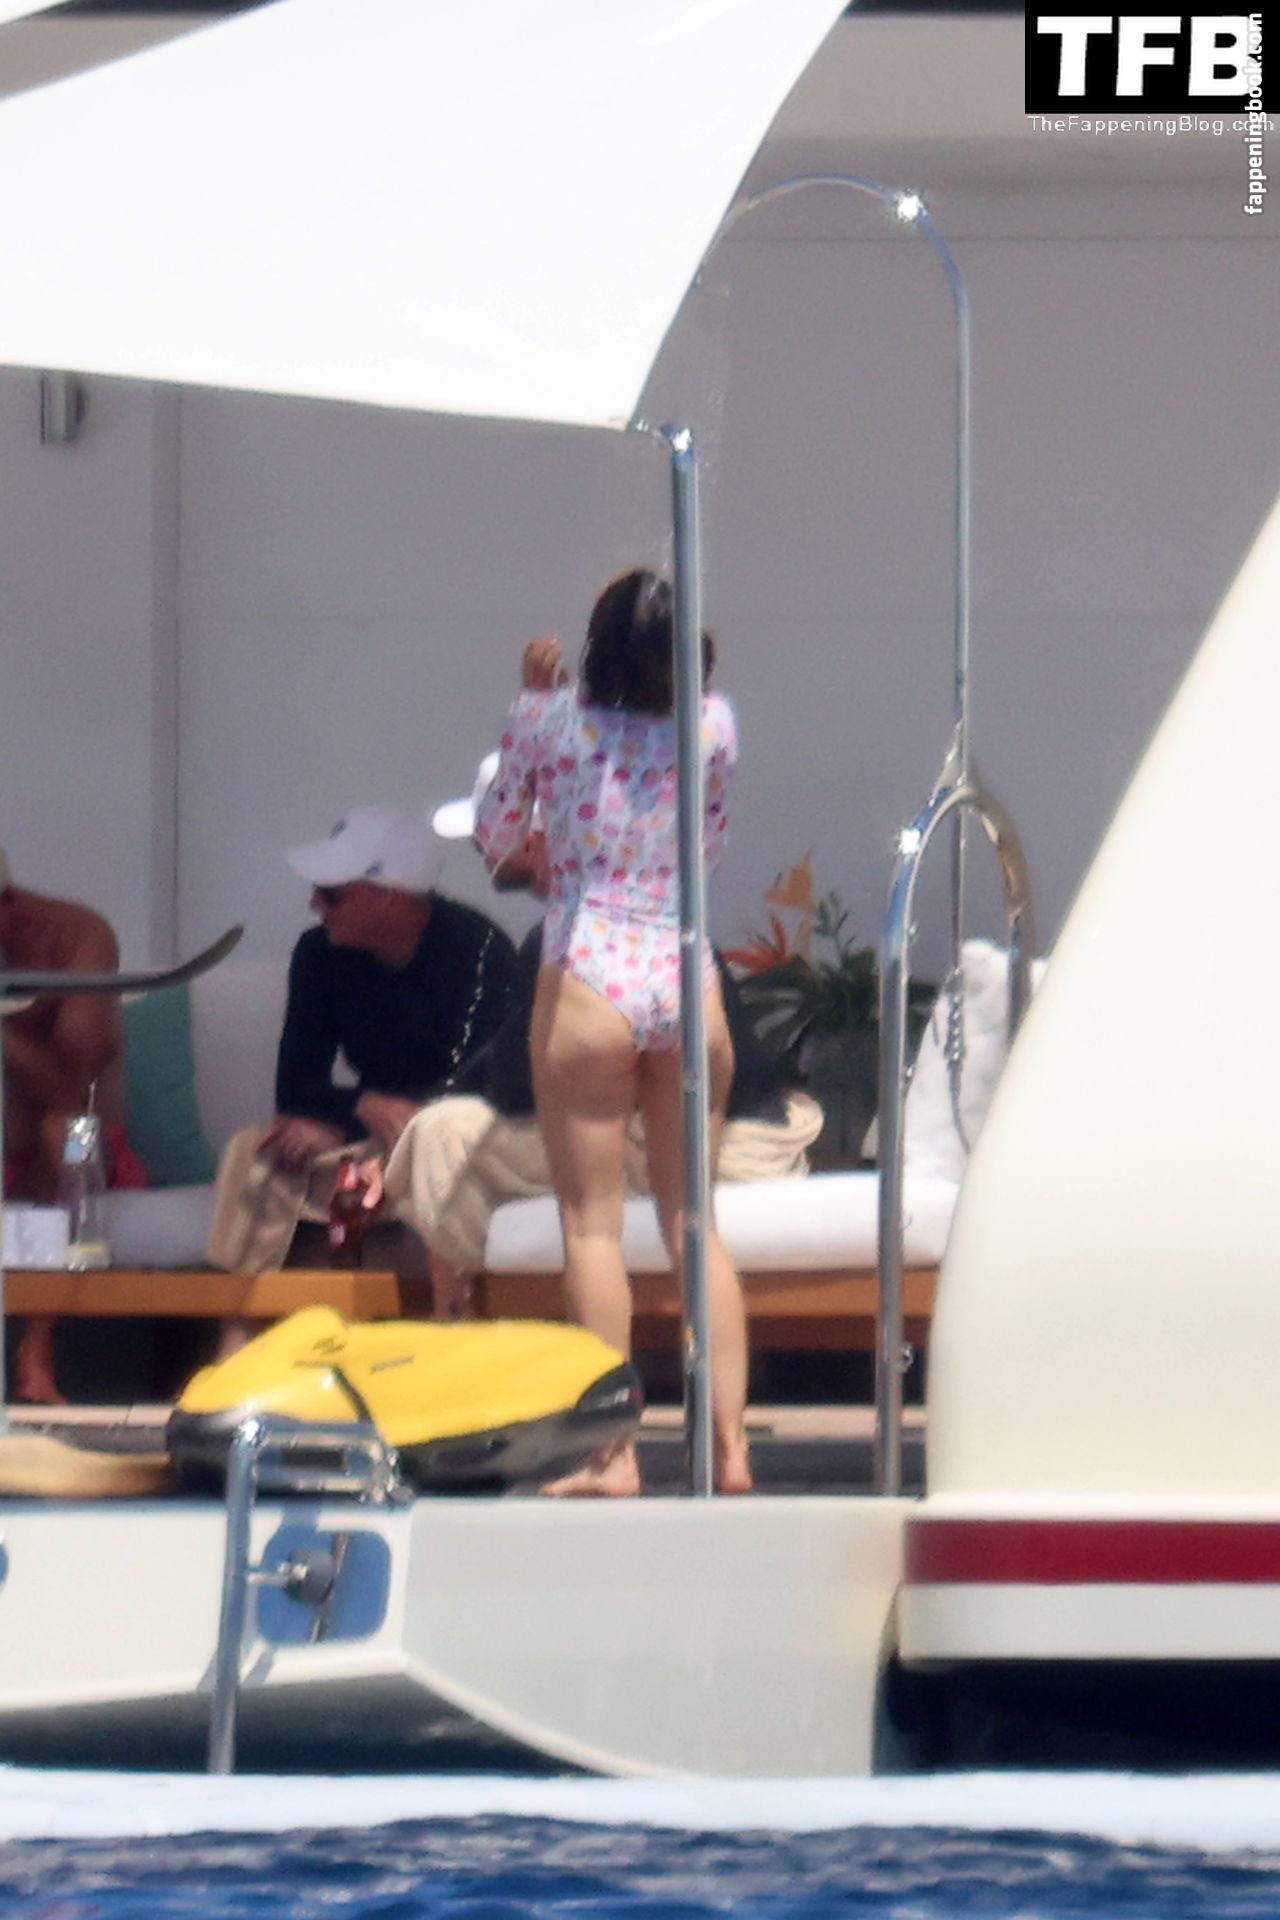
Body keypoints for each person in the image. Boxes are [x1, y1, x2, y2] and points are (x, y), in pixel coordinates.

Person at [474, 569, 752, 1496]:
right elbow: (709, 841)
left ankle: (611, 1455)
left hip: (590, 964)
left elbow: (497, 833)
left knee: (592, 1227)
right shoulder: (714, 726)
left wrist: (534, 697)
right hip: (684, 965)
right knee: (694, 1223)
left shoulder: (549, 722)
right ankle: (731, 1448)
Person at [376, 799, 822, 1319]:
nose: (481, 851)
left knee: (442, 1135)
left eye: (485, 839)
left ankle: (471, 1318)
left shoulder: (568, 941)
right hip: (739, 1140)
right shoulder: (668, 922)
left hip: (708, 1152)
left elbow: (519, 1089)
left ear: (532, 841)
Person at [205, 804, 518, 1294]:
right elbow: (294, 1085)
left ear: (390, 895)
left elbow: (481, 1085)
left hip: (449, 1131)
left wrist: (383, 1131)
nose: (315, 904)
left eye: (332, 894)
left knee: (437, 1149)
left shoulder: (479, 950)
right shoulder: (318, 954)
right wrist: (357, 1108)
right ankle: (238, 1323)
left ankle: (451, 1310)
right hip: (369, 1130)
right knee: (257, 1149)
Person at [0, 846, 144, 1403]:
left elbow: (74, 1082)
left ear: (8, 903)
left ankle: (37, 1346)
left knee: (68, 1136)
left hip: (84, 1144)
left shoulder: (81, 936)